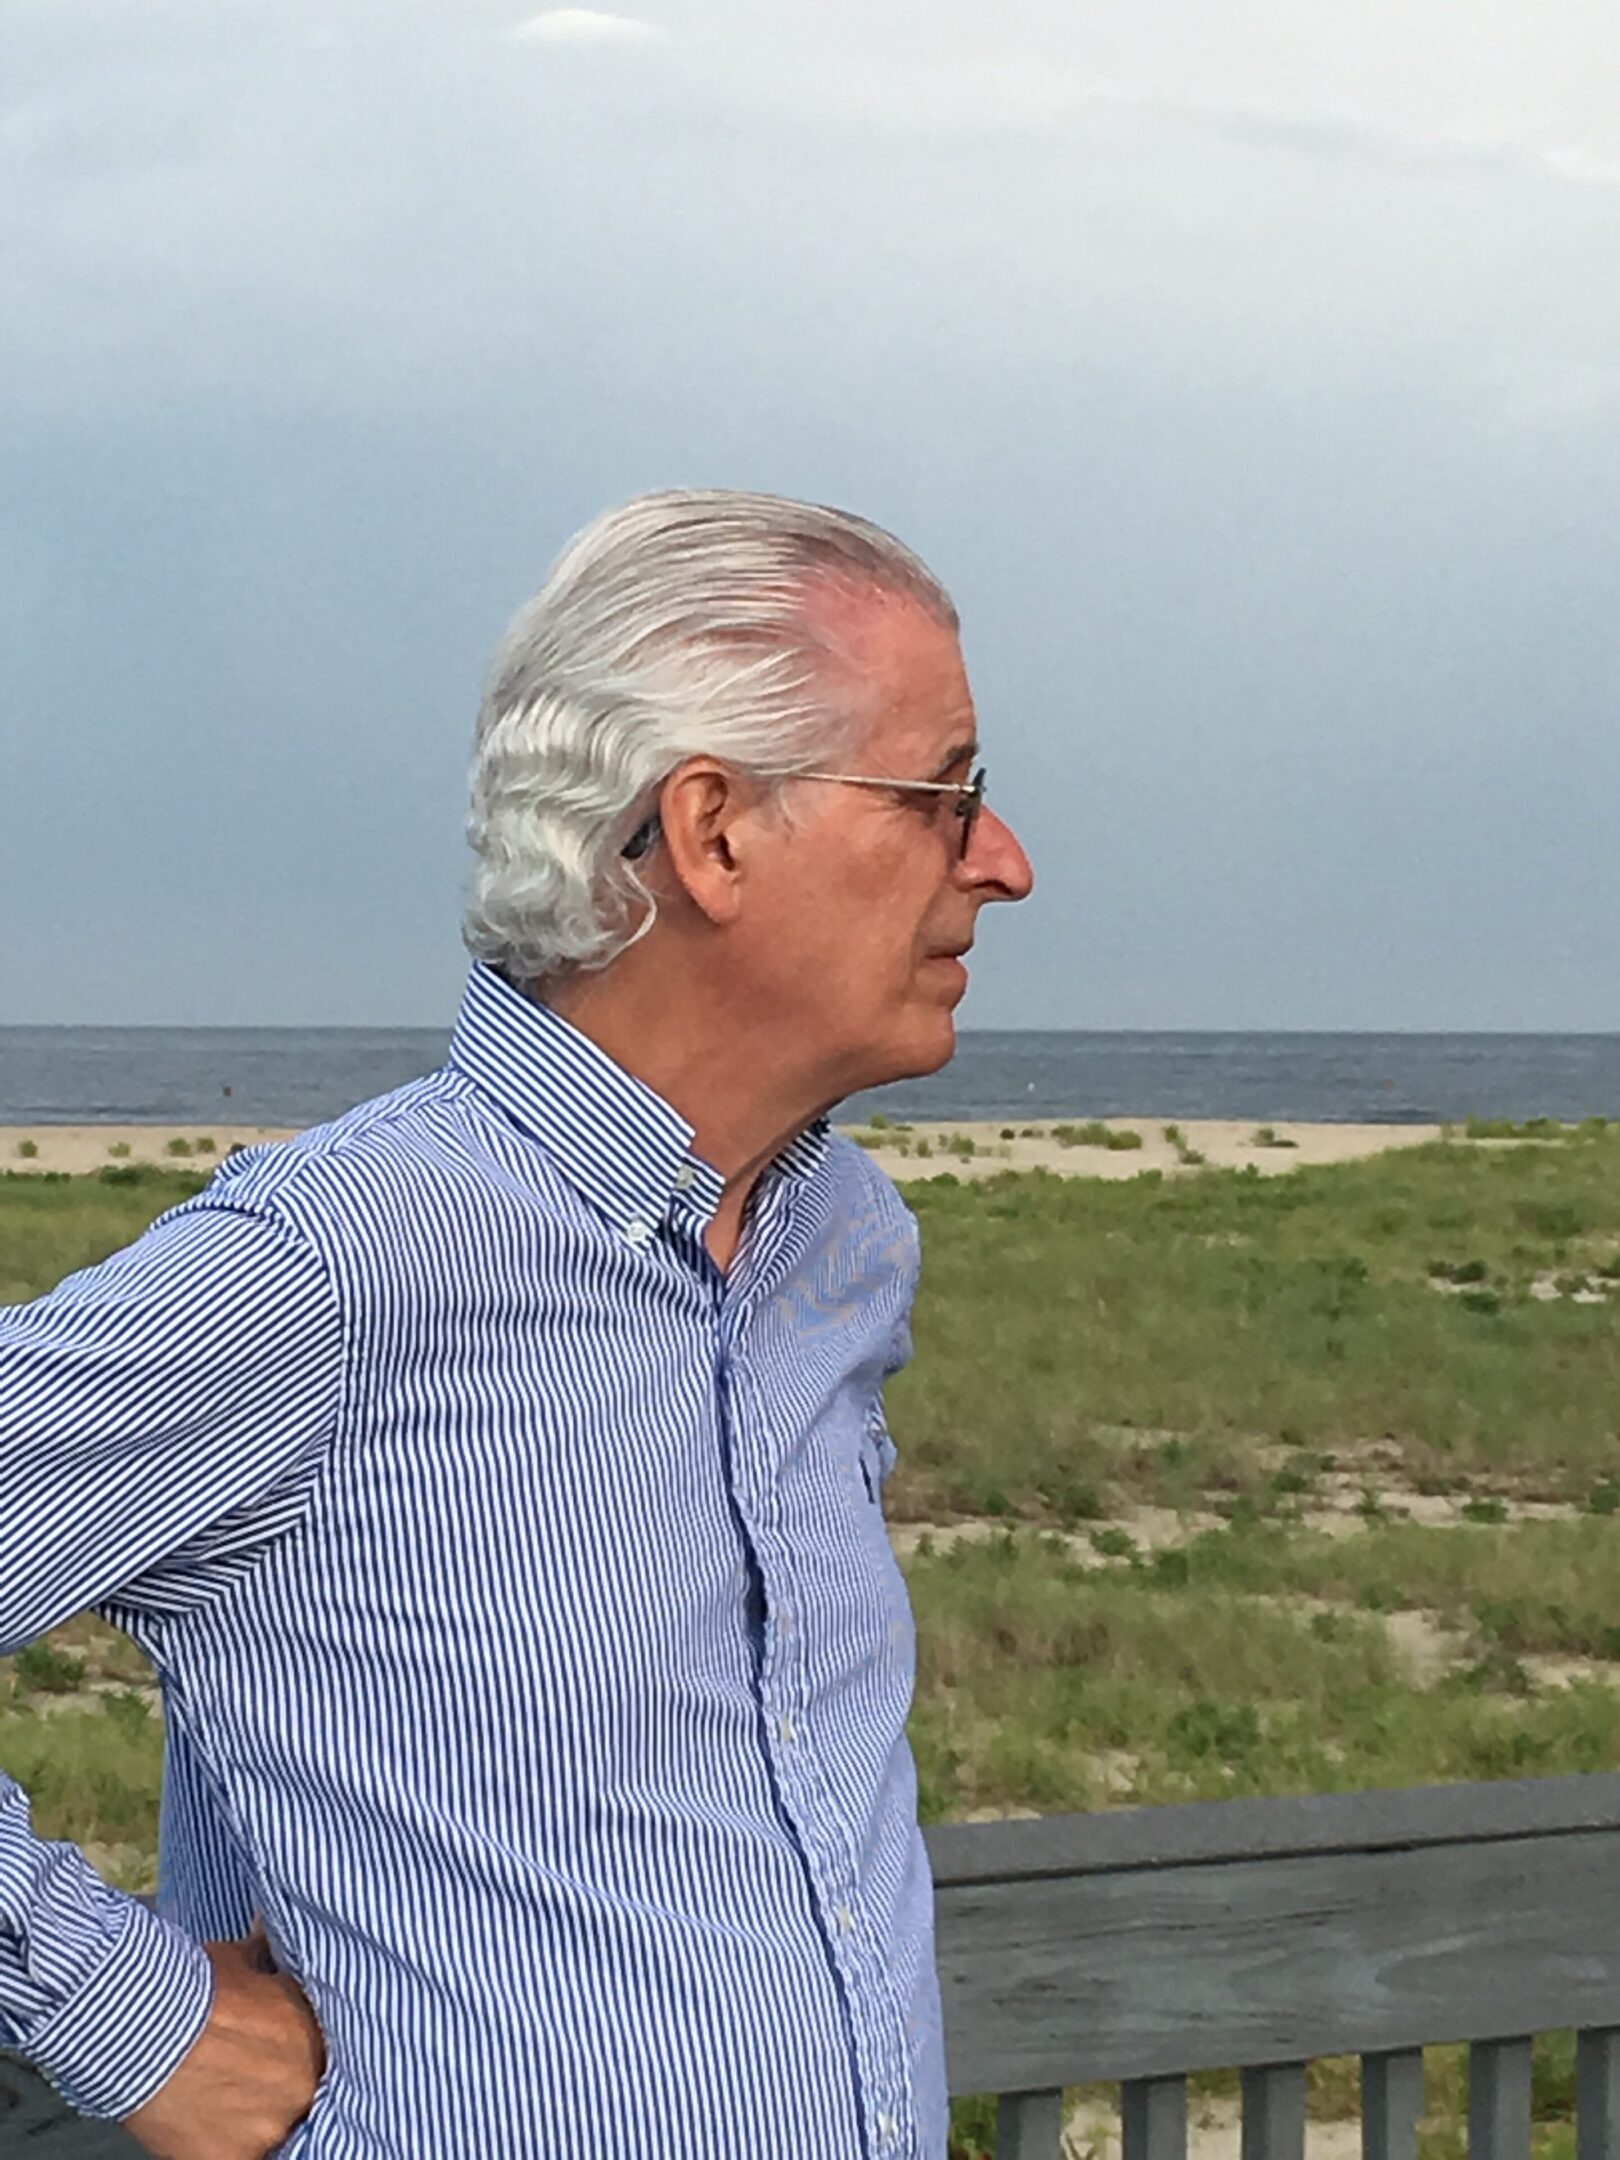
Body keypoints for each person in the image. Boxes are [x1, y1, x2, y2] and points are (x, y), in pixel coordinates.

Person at [0, 489, 1034, 2158]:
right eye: (944, 795)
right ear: (710, 833)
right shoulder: (330, 1267)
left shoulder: (846, 1243)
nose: (1004, 860)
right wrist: (135, 2020)